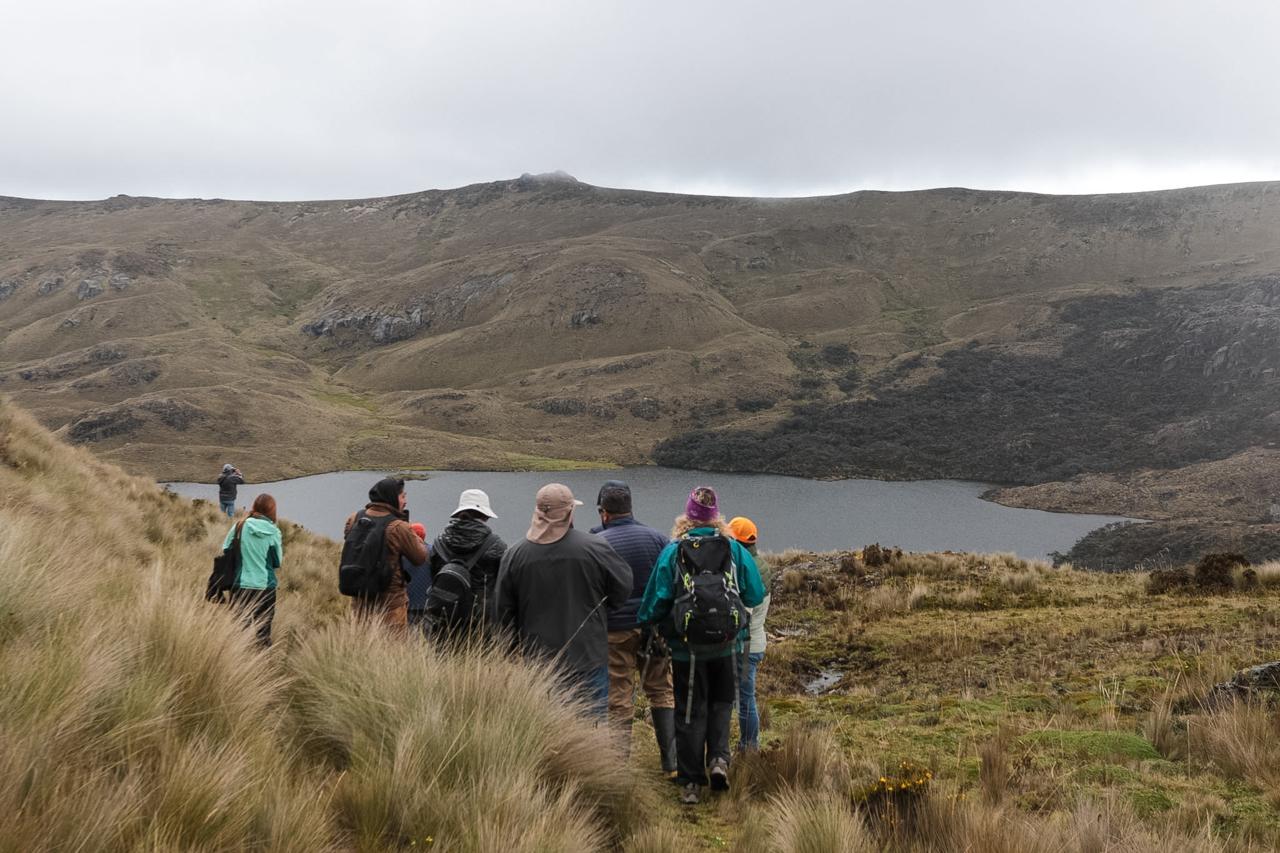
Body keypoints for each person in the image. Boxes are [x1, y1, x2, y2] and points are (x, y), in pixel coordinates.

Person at [637, 486, 765, 805]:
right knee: (721, 706)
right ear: (716, 516)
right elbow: (754, 593)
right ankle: (719, 761)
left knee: (690, 712)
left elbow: (656, 601)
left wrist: (648, 623)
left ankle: (691, 782)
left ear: (688, 516)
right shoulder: (733, 549)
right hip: (727, 647)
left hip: (687, 651)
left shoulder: (674, 551)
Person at [493, 483, 631, 717]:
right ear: (569, 513)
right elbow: (623, 589)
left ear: (538, 512)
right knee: (592, 727)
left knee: (545, 726)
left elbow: (502, 613)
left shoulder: (515, 554)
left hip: (537, 662)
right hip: (588, 655)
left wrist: (511, 651)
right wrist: (599, 610)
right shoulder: (595, 547)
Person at [591, 480, 678, 776]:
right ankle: (671, 764)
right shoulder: (658, 539)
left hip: (615, 630)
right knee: (661, 689)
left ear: (604, 512)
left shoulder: (597, 543)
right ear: (630, 508)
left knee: (618, 696)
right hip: (654, 630)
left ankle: (619, 767)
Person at [344, 477, 427, 633]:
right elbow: (420, 557)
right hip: (391, 604)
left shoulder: (355, 518)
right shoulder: (399, 527)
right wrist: (410, 530)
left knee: (361, 641)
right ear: (392, 497)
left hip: (360, 599)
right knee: (392, 646)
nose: (405, 501)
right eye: (403, 496)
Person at [427, 488, 507, 638]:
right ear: (485, 516)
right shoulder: (496, 546)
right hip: (480, 623)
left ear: (459, 513)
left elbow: (434, 578)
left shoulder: (439, 544)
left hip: (444, 617)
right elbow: (502, 586)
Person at [727, 516, 771, 752]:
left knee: (744, 700)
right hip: (756, 640)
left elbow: (743, 614)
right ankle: (747, 745)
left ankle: (749, 747)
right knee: (744, 698)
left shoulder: (746, 569)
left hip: (745, 645)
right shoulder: (761, 564)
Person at [221, 493, 282, 647]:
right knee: (263, 636)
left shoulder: (239, 526)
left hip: (241, 587)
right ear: (272, 511)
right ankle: (264, 660)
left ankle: (238, 661)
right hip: (266, 589)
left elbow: (226, 549)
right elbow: (277, 562)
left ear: (254, 506)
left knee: (239, 634)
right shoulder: (274, 532)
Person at [404, 522, 432, 630]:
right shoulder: (433, 551)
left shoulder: (403, 552)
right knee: (428, 634)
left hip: (409, 602)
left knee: (410, 634)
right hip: (427, 602)